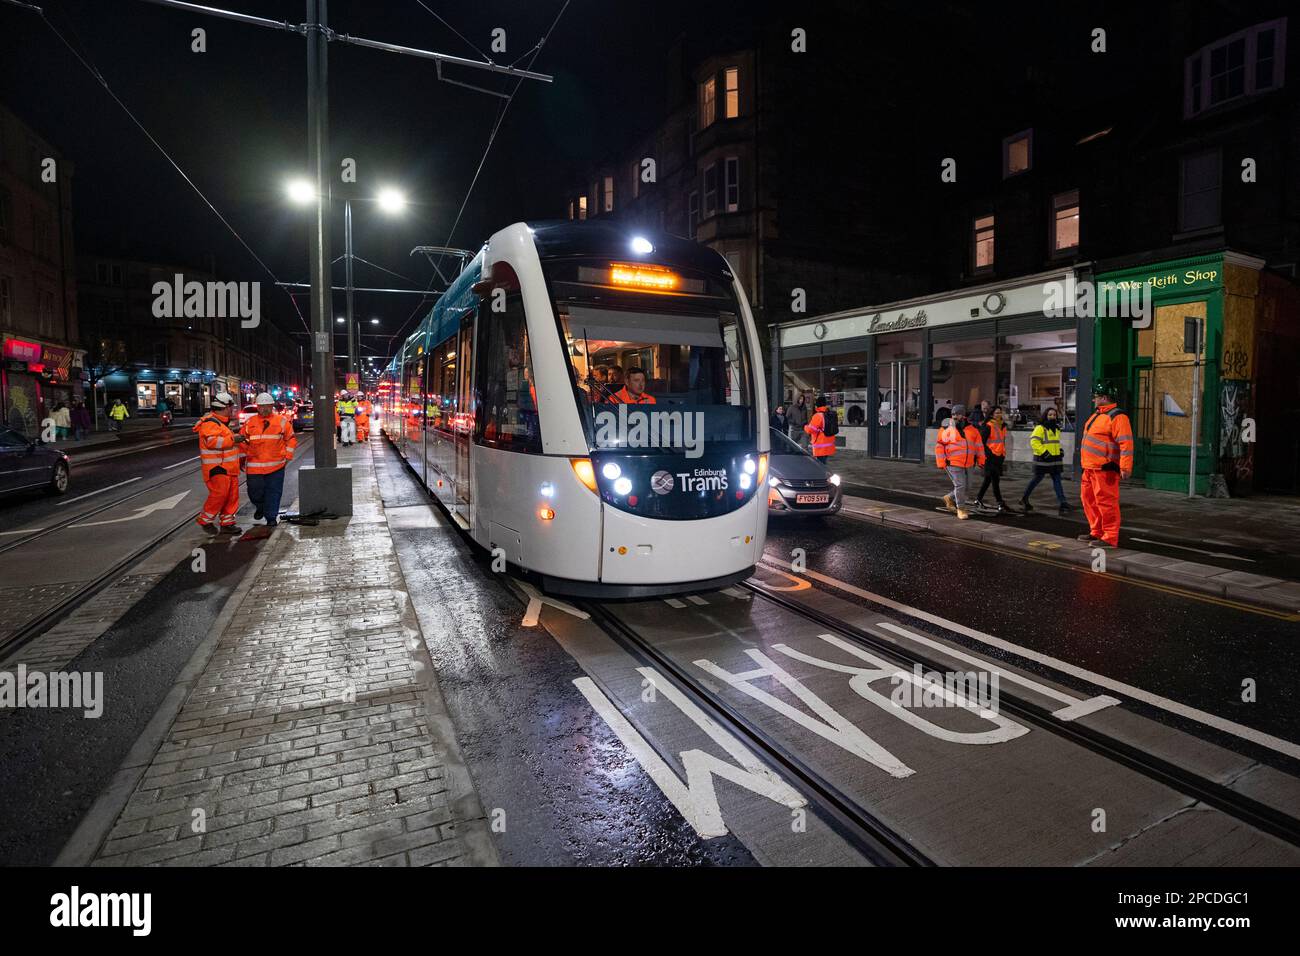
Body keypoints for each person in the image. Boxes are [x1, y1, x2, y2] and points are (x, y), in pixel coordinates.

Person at [1078, 381, 1134, 548]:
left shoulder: (1118, 416)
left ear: (1104, 398)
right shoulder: (1097, 415)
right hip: (1089, 468)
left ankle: (1109, 537)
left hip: (1105, 469)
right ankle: (1096, 532)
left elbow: (1126, 444)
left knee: (1106, 503)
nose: (1093, 400)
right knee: (1089, 501)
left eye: (1095, 397)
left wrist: (1125, 467)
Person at [240, 392, 296, 539]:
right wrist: (241, 458)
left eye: (267, 406)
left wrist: (287, 456)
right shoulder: (250, 422)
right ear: (258, 407)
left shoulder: (282, 421)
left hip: (276, 465)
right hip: (254, 466)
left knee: (274, 492)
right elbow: (242, 441)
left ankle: (271, 518)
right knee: (254, 492)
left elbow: (290, 440)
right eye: (261, 406)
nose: (264, 409)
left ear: (272, 406)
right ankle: (260, 507)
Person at [194, 392, 246, 534]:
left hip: (228, 467)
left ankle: (227, 523)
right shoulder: (210, 423)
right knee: (220, 495)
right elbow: (211, 442)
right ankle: (205, 520)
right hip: (217, 468)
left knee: (231, 496)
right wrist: (233, 440)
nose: (232, 410)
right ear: (225, 407)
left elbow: (221, 440)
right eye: (231, 407)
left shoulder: (221, 423)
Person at [934, 403, 985, 520]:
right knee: (961, 485)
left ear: (963, 415)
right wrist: (941, 462)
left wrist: (981, 460)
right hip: (952, 463)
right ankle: (961, 509)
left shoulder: (972, 430)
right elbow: (940, 446)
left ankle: (949, 497)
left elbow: (979, 447)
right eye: (953, 414)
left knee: (967, 486)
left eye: (957, 414)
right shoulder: (946, 429)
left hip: (969, 464)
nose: (954, 416)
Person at [1020, 407, 1071, 514]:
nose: (1052, 417)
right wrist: (1044, 453)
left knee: (1057, 481)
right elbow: (1034, 442)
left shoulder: (1057, 428)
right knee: (1036, 479)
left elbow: (1055, 442)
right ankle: (1024, 498)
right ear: (1045, 416)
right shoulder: (1040, 428)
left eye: (1054, 415)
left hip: (1055, 459)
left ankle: (1063, 502)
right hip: (1043, 458)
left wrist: (1060, 450)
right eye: (1050, 415)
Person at [974, 405, 1016, 514]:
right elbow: (981, 443)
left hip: (999, 456)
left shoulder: (1002, 426)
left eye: (1000, 413)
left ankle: (978, 499)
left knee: (988, 479)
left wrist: (1002, 455)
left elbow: (1001, 441)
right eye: (996, 413)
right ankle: (1000, 503)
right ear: (992, 414)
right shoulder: (988, 426)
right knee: (995, 480)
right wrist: (989, 454)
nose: (999, 415)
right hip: (991, 457)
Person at [804, 394, 837, 458]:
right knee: (824, 462)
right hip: (829, 444)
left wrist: (805, 427)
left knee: (820, 465)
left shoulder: (818, 416)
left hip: (820, 445)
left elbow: (811, 430)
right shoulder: (829, 414)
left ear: (817, 405)